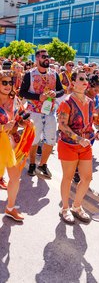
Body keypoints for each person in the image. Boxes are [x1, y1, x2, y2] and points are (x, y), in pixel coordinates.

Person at [19, 49, 64, 178]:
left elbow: (61, 90)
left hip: (50, 112)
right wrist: (38, 97)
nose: (47, 59)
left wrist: (55, 93)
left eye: (48, 57)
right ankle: (32, 163)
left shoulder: (54, 74)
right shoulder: (29, 75)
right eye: (44, 57)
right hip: (34, 113)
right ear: (37, 58)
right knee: (34, 140)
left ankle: (43, 164)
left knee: (51, 140)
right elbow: (22, 93)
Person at [57, 69, 94, 224]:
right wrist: (78, 138)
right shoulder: (66, 102)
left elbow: (90, 123)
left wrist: (94, 131)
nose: (85, 81)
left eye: (86, 79)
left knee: (87, 178)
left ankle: (77, 207)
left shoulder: (90, 102)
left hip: (85, 145)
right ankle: (65, 208)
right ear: (73, 83)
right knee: (68, 177)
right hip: (68, 144)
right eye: (81, 79)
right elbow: (62, 125)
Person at [0, 70, 33, 221]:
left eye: (10, 82)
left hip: (9, 145)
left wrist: (25, 122)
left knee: (15, 177)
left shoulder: (15, 101)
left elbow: (20, 118)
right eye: (4, 82)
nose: (8, 85)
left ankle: (10, 208)